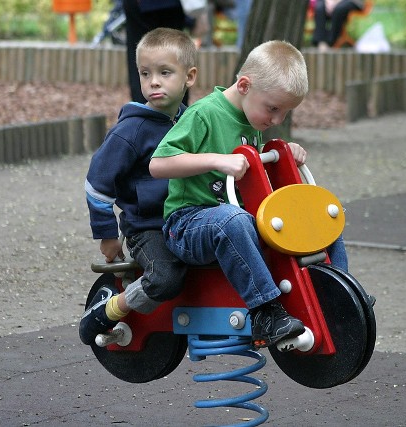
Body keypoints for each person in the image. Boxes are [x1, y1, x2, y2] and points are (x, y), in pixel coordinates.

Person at [149, 40, 345, 349]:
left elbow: (252, 168)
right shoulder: (205, 114)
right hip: (187, 224)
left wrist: (280, 153)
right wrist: (216, 159)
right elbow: (158, 164)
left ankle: (337, 293)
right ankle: (266, 310)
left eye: (285, 113)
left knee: (320, 214)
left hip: (234, 220)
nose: (277, 120)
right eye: (273, 109)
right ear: (244, 85)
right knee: (234, 220)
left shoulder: (250, 117)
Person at [79, 28, 198, 345]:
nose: (154, 82)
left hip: (186, 221)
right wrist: (106, 237)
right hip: (149, 228)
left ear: (190, 77)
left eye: (164, 72)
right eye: (146, 73)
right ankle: (109, 310)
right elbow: (96, 184)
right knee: (166, 279)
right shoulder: (130, 129)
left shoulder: (189, 122)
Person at [122, 0, 188, 104]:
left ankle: (144, 112)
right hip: (171, 6)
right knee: (175, 55)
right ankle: (177, 113)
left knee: (141, 55)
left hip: (142, 5)